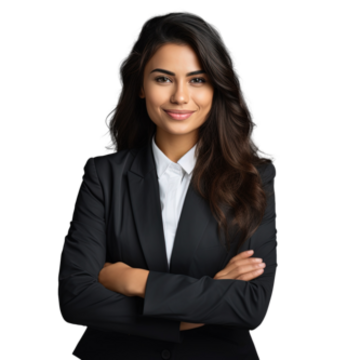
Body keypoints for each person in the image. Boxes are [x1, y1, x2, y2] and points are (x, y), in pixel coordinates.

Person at [58, 8, 279, 360]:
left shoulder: (254, 179)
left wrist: (135, 281)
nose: (179, 97)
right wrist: (200, 306)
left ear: (217, 87)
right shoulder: (104, 175)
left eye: (197, 79)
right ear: (141, 86)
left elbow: (251, 305)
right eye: (163, 78)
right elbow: (76, 298)